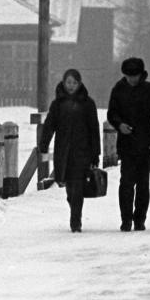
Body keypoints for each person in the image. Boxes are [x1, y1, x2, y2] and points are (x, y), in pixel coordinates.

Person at [107, 57, 150, 232]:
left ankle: (139, 218)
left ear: (142, 75)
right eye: (129, 76)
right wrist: (119, 125)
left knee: (143, 184)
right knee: (126, 183)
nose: (132, 79)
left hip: (145, 144)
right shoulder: (118, 90)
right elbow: (112, 113)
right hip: (126, 144)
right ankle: (126, 219)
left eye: (135, 76)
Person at [40, 69, 101, 233]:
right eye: (68, 82)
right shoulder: (57, 104)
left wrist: (96, 153)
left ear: (79, 83)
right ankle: (75, 208)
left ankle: (76, 221)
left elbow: (94, 129)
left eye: (74, 82)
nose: (71, 86)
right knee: (68, 187)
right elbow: (49, 125)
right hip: (63, 151)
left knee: (78, 185)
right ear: (63, 83)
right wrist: (44, 143)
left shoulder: (88, 103)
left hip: (82, 151)